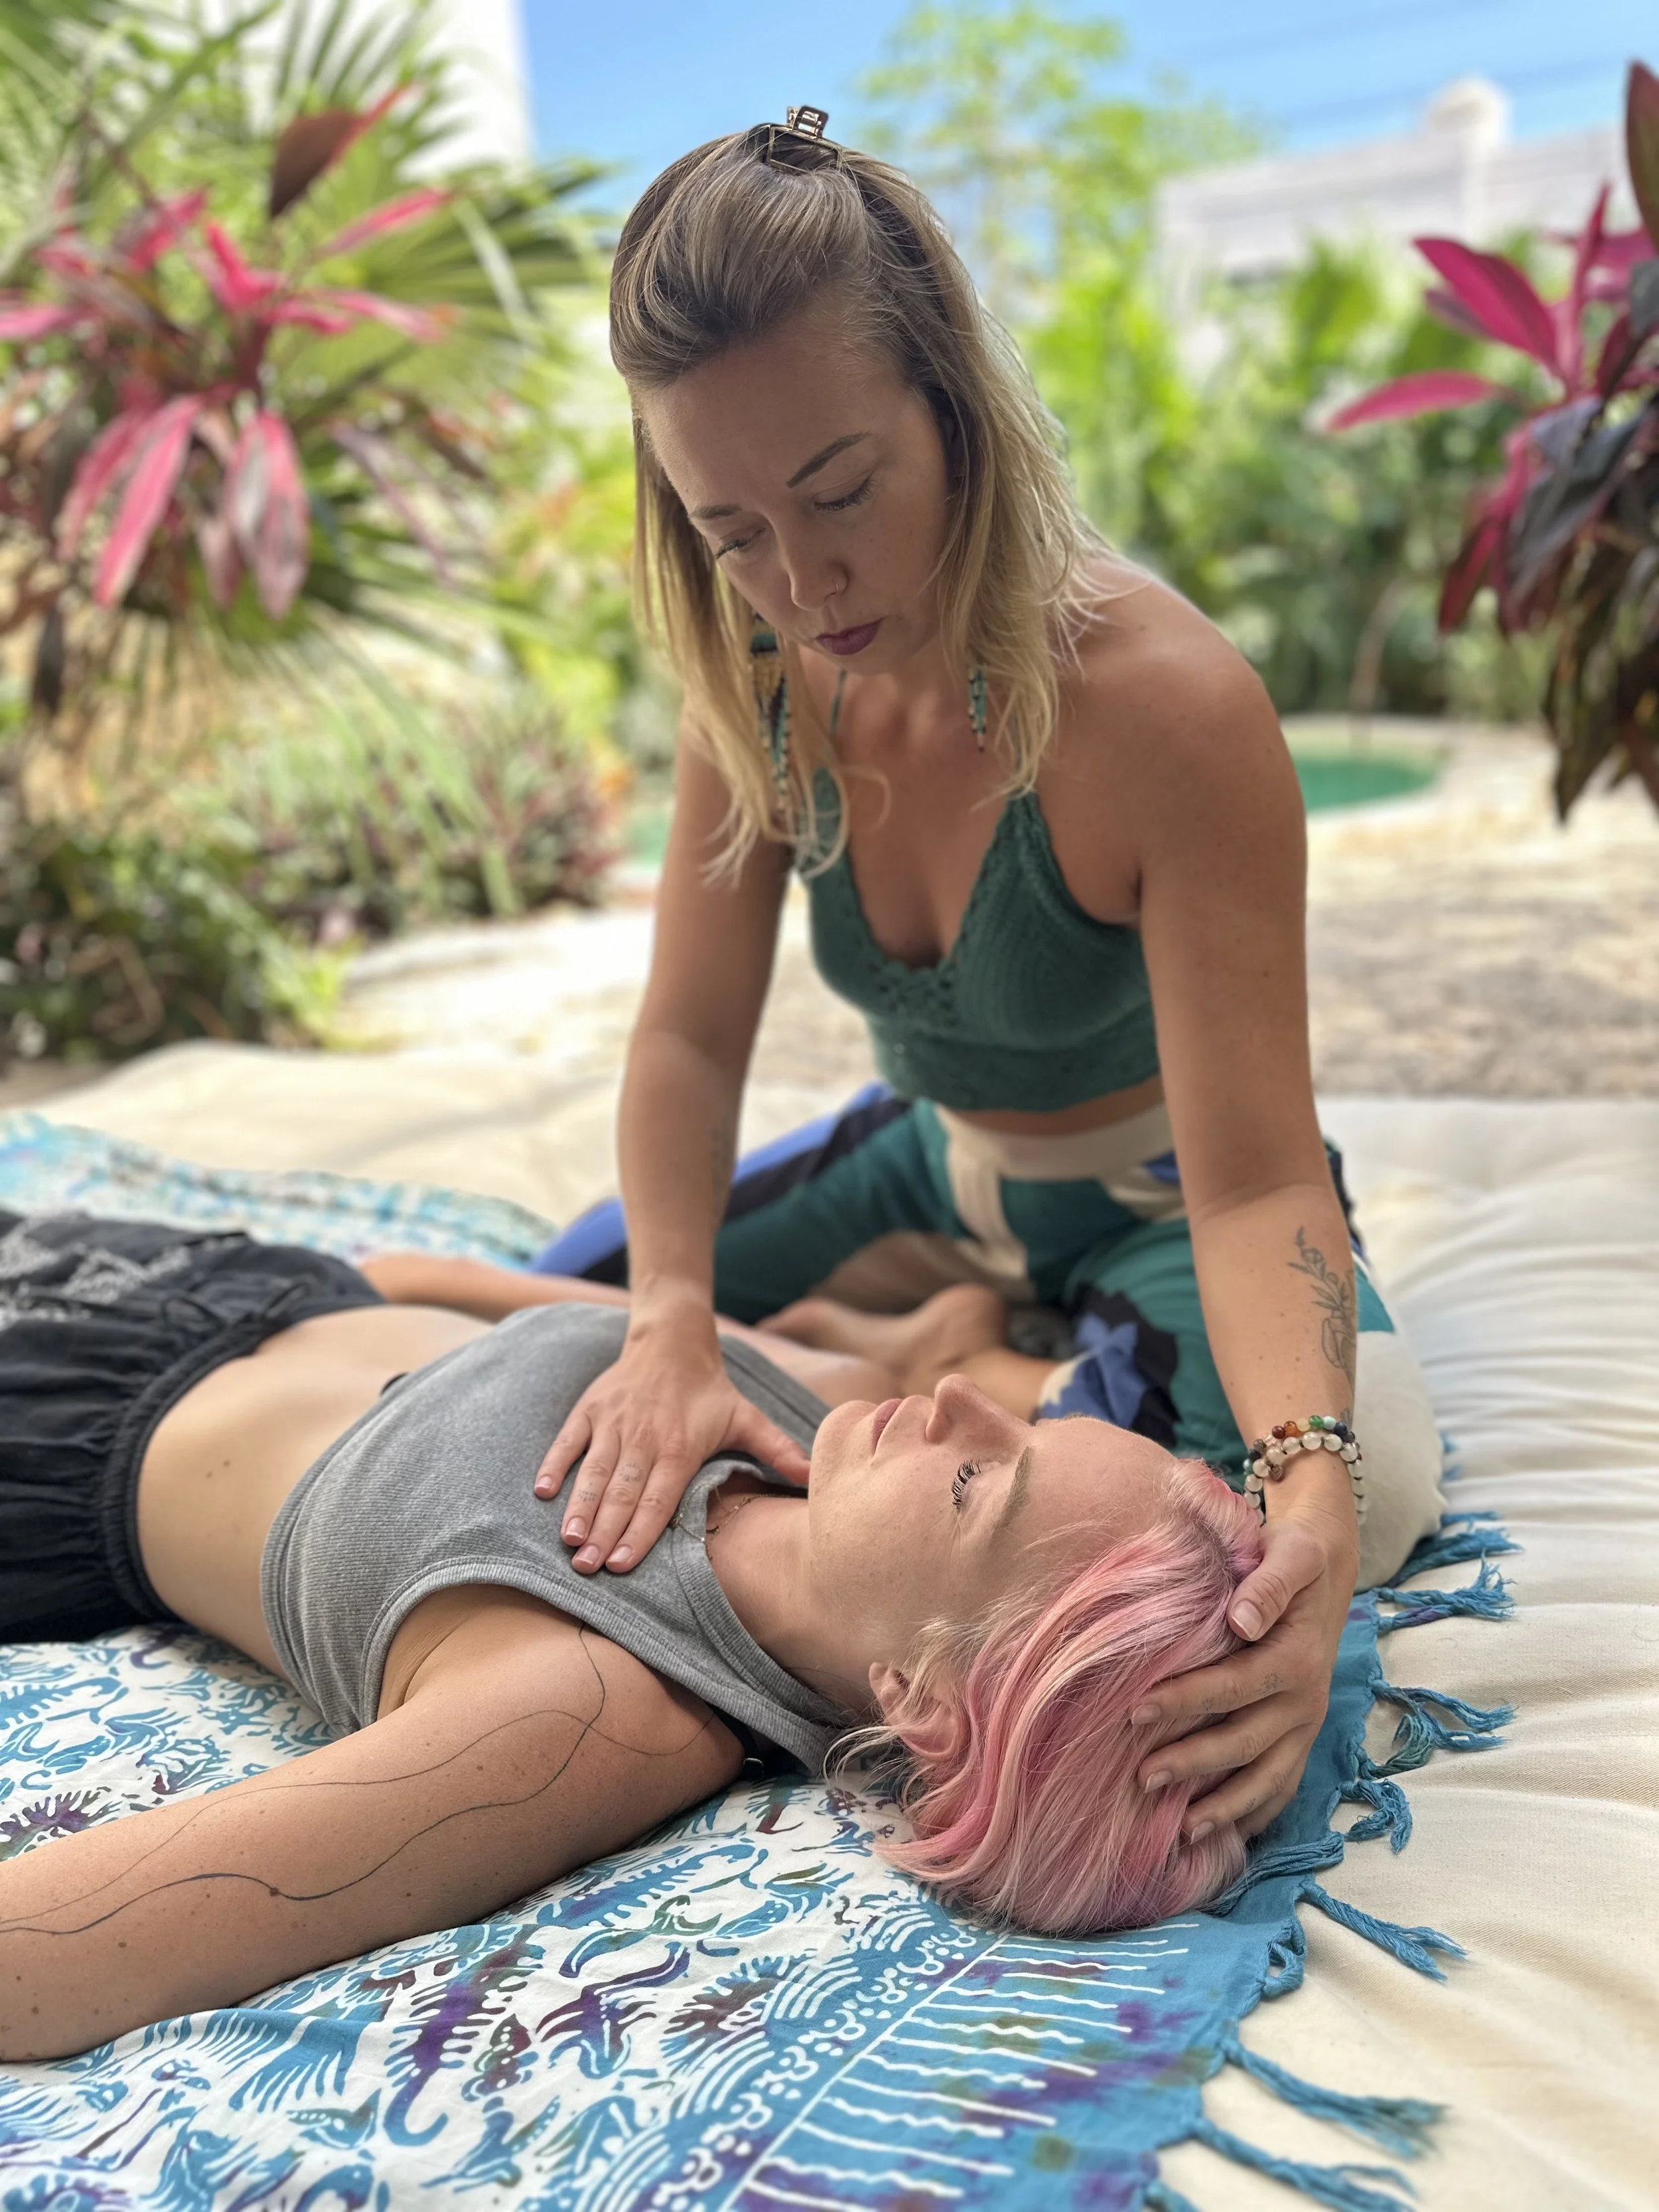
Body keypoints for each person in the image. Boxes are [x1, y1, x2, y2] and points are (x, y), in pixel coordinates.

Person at [527, 113, 1446, 1848]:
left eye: (839, 492)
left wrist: (1309, 1488)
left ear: (950, 405)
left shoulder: (1163, 706)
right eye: (730, 530)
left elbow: (1255, 1179)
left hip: (1160, 1187)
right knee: (568, 1327)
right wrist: (666, 1321)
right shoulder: (759, 679)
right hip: (937, 1155)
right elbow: (688, 1037)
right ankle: (931, 1340)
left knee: (1340, 1495)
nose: (802, 583)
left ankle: (936, 1348)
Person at [0, 1208, 1269, 2063]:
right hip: (240, 1280)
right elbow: (508, 1304)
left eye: (980, 1485)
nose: (954, 1408)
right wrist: (416, 1277)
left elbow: (44, 1955)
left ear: (925, 1694)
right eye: (1023, 1424)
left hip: (52, 1430)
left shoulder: (599, 1708)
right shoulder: (829, 1432)